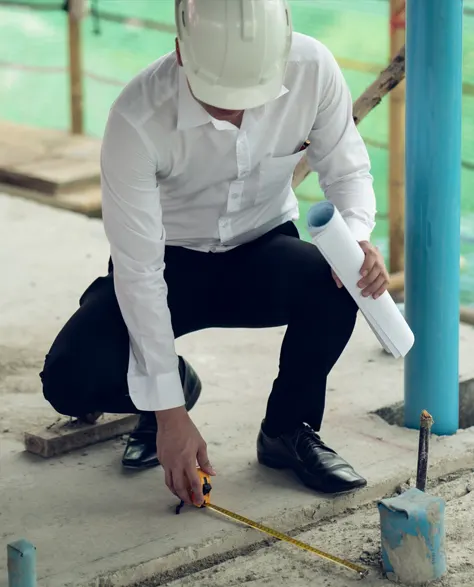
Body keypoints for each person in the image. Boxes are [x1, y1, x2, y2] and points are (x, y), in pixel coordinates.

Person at [40, 0, 388, 507]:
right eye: (219, 97)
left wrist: (353, 239)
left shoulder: (313, 69)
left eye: (252, 94)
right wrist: (169, 412)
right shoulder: (137, 117)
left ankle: (287, 431)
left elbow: (348, 172)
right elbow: (138, 272)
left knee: (335, 283)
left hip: (262, 247)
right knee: (70, 380)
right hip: (167, 262)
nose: (236, 110)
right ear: (182, 53)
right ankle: (164, 384)